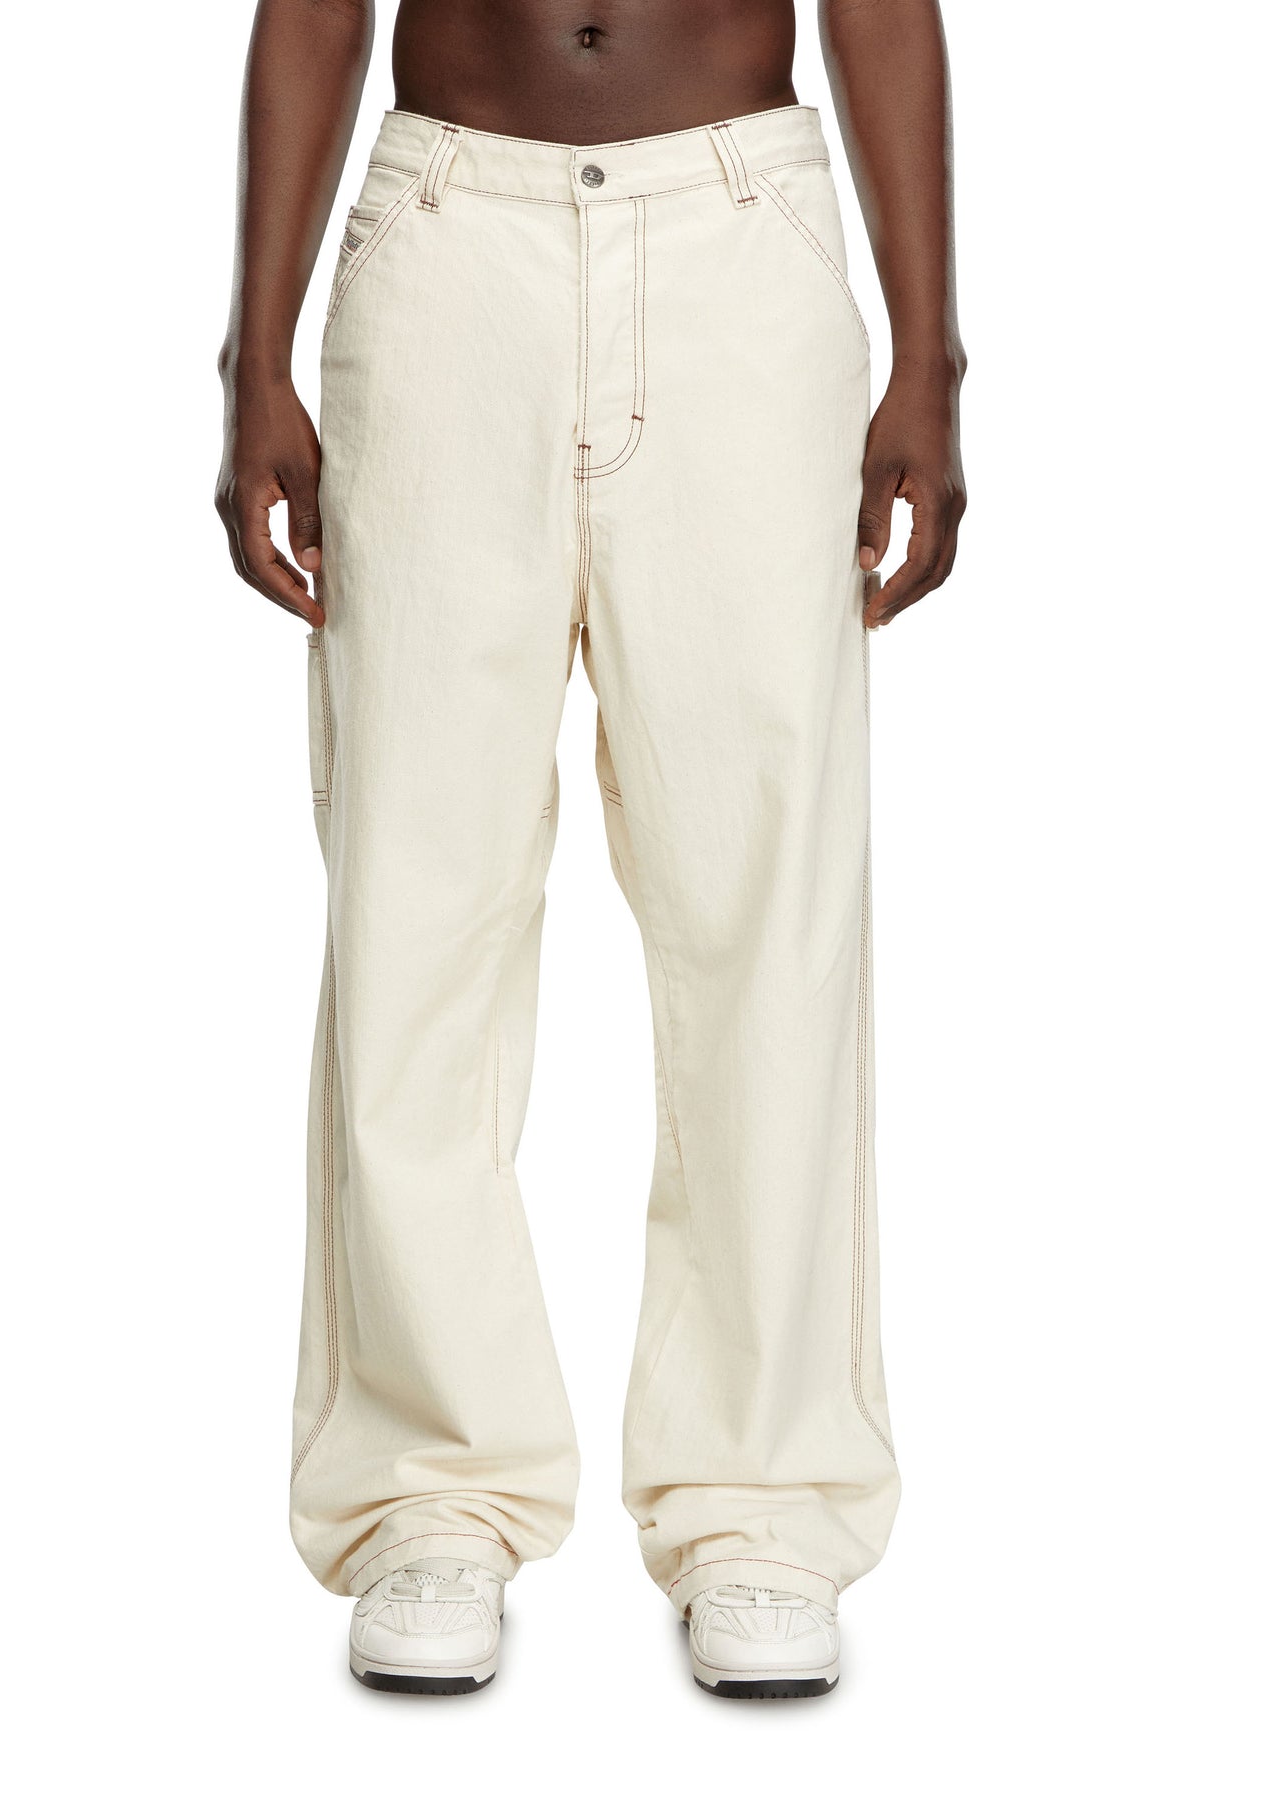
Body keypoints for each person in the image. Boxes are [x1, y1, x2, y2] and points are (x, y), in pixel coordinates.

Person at [215, 0, 965, 1700]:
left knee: (763, 902)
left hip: (736, 237)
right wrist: (254, 353)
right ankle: (430, 1490)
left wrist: (928, 354)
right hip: (444, 241)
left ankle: (761, 1504)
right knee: (417, 900)